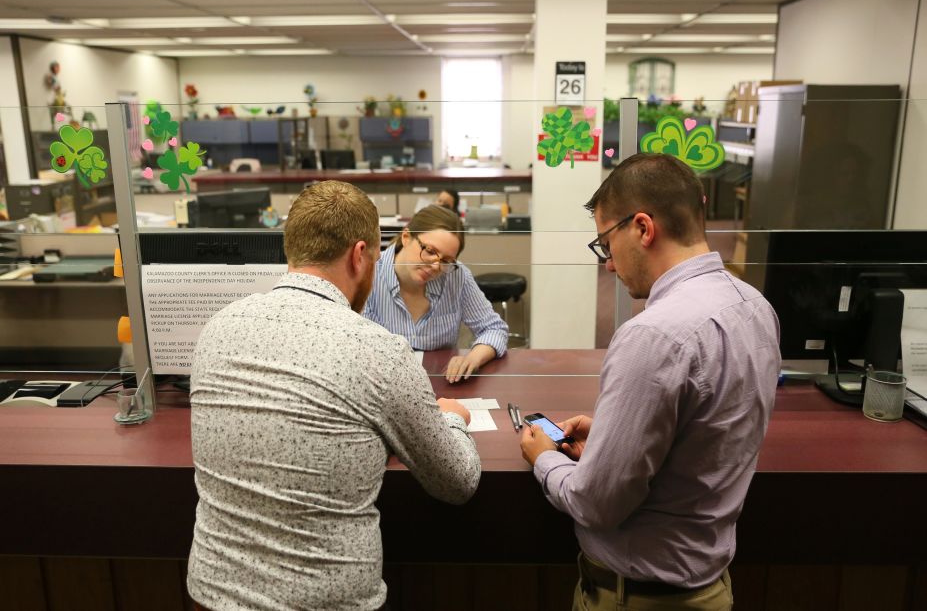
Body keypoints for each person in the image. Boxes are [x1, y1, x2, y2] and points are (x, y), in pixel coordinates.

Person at [187, 180, 481, 611]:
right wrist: (452, 418)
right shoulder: (378, 351)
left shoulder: (216, 329)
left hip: (211, 597)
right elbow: (457, 482)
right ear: (359, 255)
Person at [520, 153, 780, 611]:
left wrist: (544, 459)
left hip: (638, 599)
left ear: (642, 228)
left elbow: (596, 503)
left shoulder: (653, 336)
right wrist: (611, 438)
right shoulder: (756, 306)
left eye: (605, 243)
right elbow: (704, 433)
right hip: (711, 589)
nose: (608, 265)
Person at [363, 205, 508, 383]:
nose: (435, 266)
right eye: (430, 251)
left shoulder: (456, 276)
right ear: (407, 237)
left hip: (441, 384)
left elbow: (494, 329)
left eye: (446, 260)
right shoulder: (368, 274)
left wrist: (472, 358)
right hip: (381, 385)